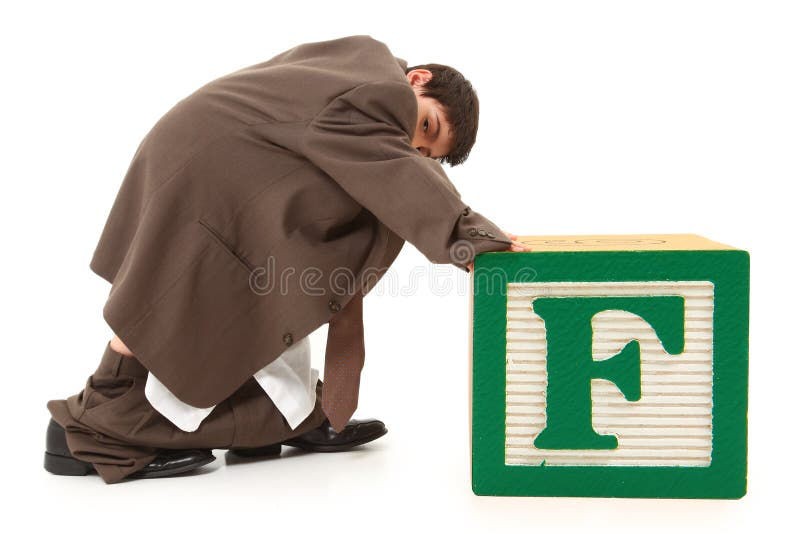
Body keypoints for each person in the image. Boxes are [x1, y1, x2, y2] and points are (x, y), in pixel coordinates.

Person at [44, 34, 530, 484]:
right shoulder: (378, 87)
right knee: (168, 297)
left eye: (425, 149)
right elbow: (391, 165)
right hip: (209, 177)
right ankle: (85, 429)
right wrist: (467, 232)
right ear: (418, 79)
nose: (412, 146)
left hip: (224, 163)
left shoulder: (353, 66)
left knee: (276, 279)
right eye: (425, 125)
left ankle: (281, 416)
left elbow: (382, 159)